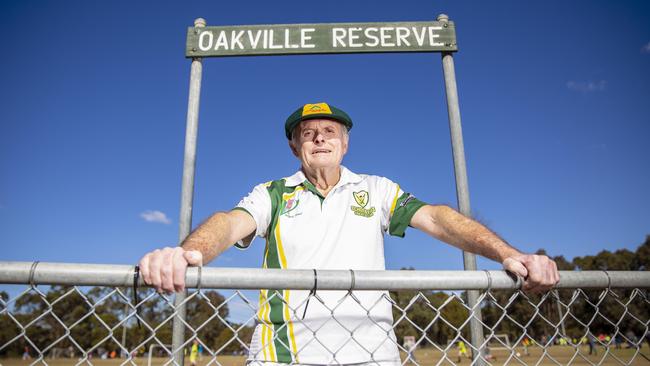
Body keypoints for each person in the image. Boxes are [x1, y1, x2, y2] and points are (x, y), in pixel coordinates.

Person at [139, 102, 559, 365]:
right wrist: (187, 252)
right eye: (308, 133)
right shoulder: (272, 193)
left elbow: (437, 218)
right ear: (294, 147)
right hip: (282, 357)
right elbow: (230, 223)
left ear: (345, 144)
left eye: (330, 132)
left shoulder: (376, 189)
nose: (319, 136)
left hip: (372, 354)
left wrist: (508, 253)